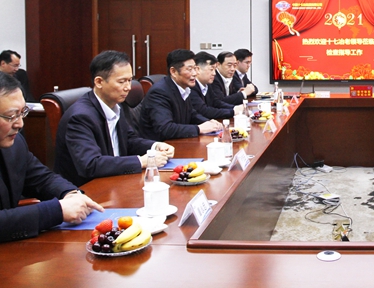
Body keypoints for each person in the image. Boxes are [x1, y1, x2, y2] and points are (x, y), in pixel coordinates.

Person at [0, 72, 103, 242]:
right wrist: (55, 211)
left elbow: (42, 178)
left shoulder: (15, 143)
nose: (20, 124)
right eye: (11, 116)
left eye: (22, 113)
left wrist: (70, 193)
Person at [53, 51, 175, 187]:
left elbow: (128, 140)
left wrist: (155, 146)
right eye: (122, 82)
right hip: (87, 189)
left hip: (116, 180)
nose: (128, 87)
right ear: (99, 82)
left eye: (130, 80)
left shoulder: (116, 105)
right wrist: (141, 161)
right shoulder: (80, 117)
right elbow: (90, 164)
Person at [138, 49, 223, 141]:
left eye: (195, 68)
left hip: (177, 141)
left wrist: (208, 122)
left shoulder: (183, 88)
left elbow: (191, 114)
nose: (195, 73)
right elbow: (165, 128)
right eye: (190, 69)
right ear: (173, 71)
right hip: (161, 145)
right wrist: (199, 128)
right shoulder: (159, 92)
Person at [190, 51, 242, 120]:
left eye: (215, 69)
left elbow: (216, 102)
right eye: (211, 69)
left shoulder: (207, 84)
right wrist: (232, 112)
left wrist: (234, 108)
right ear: (198, 70)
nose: (214, 73)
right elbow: (203, 110)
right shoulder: (191, 87)